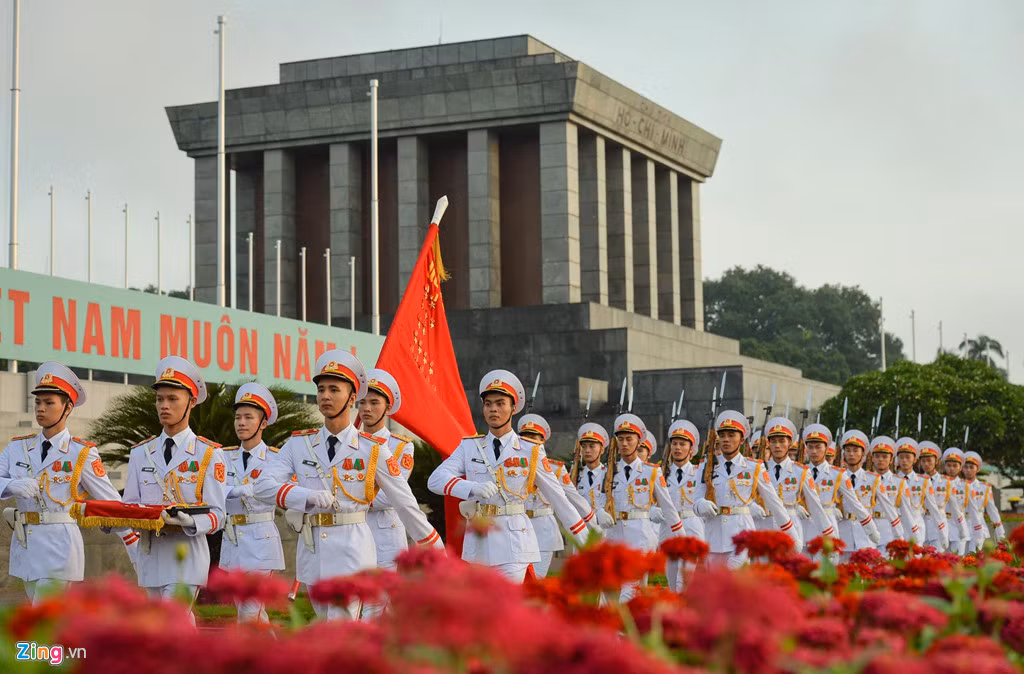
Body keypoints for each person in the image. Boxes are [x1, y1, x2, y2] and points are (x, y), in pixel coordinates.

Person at [257, 350, 442, 620]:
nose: (325, 396)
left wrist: (432, 544)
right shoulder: (300, 444)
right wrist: (305, 496)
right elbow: (263, 485)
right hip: (313, 550)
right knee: (328, 627)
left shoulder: (373, 449)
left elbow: (404, 501)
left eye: (334, 389)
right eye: (321, 389)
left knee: (340, 628)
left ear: (352, 398)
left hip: (352, 549)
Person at [428, 370, 590, 583]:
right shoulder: (470, 447)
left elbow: (558, 497)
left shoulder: (530, 450)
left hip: (514, 541)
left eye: (500, 403)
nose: (493, 409)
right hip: (480, 540)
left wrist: (586, 540)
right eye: (488, 404)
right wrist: (469, 488)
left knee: (506, 605)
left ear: (513, 408)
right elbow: (435, 480)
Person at [0, 362, 139, 603]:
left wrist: (131, 539)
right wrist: (8, 485)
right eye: (38, 402)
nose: (40, 409)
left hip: (59, 545)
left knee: (42, 617)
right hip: (25, 544)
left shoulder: (80, 453)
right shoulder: (17, 447)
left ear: (68, 407)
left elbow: (110, 499)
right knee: (46, 619)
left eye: (49, 403)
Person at [122, 357, 227, 623]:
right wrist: (112, 521)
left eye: (172, 399)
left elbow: (218, 515)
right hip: (151, 555)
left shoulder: (208, 454)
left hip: (187, 555)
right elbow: (131, 506)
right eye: (159, 399)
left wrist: (190, 521)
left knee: (172, 623)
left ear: (191, 402)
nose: (164, 406)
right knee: (164, 629)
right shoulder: (140, 453)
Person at [219, 383, 286, 623]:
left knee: (250, 611)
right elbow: (211, 491)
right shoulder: (223, 456)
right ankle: (273, 658)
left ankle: (247, 658)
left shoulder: (276, 459)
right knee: (248, 612)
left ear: (263, 423)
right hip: (233, 539)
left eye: (249, 417)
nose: (241, 423)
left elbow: (284, 492)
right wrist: (237, 490)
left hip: (260, 540)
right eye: (238, 417)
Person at [694, 411, 794, 569]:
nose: (726, 439)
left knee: (735, 578)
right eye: (723, 435)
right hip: (714, 537)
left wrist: (791, 533)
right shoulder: (706, 466)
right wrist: (701, 505)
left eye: (731, 435)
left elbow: (774, 502)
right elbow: (695, 502)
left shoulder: (754, 467)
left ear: (741, 439)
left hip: (742, 535)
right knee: (718, 589)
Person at [601, 413, 682, 600]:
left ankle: (621, 630)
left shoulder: (651, 472)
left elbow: (668, 508)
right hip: (615, 537)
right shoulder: (609, 472)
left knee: (631, 587)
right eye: (620, 439)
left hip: (641, 538)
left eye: (629, 439)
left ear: (639, 442)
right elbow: (599, 501)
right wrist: (598, 512)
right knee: (618, 590)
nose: (624, 443)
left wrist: (682, 538)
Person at [357, 368, 417, 618]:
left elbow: (391, 495)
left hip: (385, 536)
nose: (366, 408)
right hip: (354, 533)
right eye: (361, 402)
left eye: (374, 402)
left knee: (375, 604)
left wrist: (348, 500)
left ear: (388, 408)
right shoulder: (348, 443)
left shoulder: (401, 447)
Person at [517, 413, 598, 577]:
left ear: (542, 441)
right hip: (519, 528)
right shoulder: (512, 467)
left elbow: (574, 498)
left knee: (536, 580)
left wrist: (592, 523)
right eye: (524, 438)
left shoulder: (555, 470)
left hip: (544, 530)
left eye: (533, 438)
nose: (528, 442)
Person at [801, 424, 879, 556]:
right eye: (810, 447)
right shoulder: (799, 472)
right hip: (804, 529)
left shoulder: (837, 474)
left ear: (826, 449)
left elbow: (855, 503)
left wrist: (870, 528)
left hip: (828, 529)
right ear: (806, 449)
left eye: (818, 447)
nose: (814, 451)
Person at [761, 416, 834, 552]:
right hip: (765, 526)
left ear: (790, 444)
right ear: (768, 444)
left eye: (782, 441)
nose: (777, 446)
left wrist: (830, 536)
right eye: (773, 441)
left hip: (791, 528)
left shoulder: (801, 471)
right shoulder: (759, 469)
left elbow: (815, 505)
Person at [661, 419, 705, 591]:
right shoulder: (660, 473)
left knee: (683, 580)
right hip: (668, 529)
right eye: (674, 444)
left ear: (691, 450)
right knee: (672, 582)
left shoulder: (699, 473)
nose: (677, 448)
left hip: (691, 527)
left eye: (682, 444)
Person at [836, 430, 892, 559]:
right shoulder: (836, 477)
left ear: (863, 454)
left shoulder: (873, 479)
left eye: (856, 450)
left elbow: (888, 508)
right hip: (843, 533)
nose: (851, 454)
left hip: (865, 535)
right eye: (848, 450)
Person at [894, 438, 949, 551]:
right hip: (896, 527)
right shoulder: (890, 480)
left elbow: (933, 508)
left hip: (917, 526)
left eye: (908, 457)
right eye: (901, 457)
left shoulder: (923, 481)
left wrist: (942, 532)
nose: (904, 460)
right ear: (897, 460)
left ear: (915, 460)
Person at [868, 436, 918, 552]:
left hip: (889, 529)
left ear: (891, 460)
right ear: (872, 459)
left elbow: (906, 511)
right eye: (877, 456)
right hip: (868, 529)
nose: (881, 460)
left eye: (885, 457)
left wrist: (914, 535)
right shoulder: (865, 479)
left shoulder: (899, 482)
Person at [919, 441, 968, 553]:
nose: (926, 464)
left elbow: (955, 508)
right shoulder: (916, 481)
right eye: (923, 461)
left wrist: (962, 529)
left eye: (929, 460)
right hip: (922, 525)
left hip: (939, 526)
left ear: (936, 461)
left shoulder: (946, 482)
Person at [963, 450, 1005, 552]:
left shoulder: (984, 488)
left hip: (978, 528)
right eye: (965, 467)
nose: (968, 470)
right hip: (960, 527)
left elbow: (992, 511)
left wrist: (1001, 535)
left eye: (971, 467)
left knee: (972, 559)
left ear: (977, 469)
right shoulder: (955, 486)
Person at [576, 423, 610, 515]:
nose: (587, 450)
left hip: (603, 526)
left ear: (602, 450)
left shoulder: (609, 474)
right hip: (582, 526)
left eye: (592, 446)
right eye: (584, 446)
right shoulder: (576, 475)